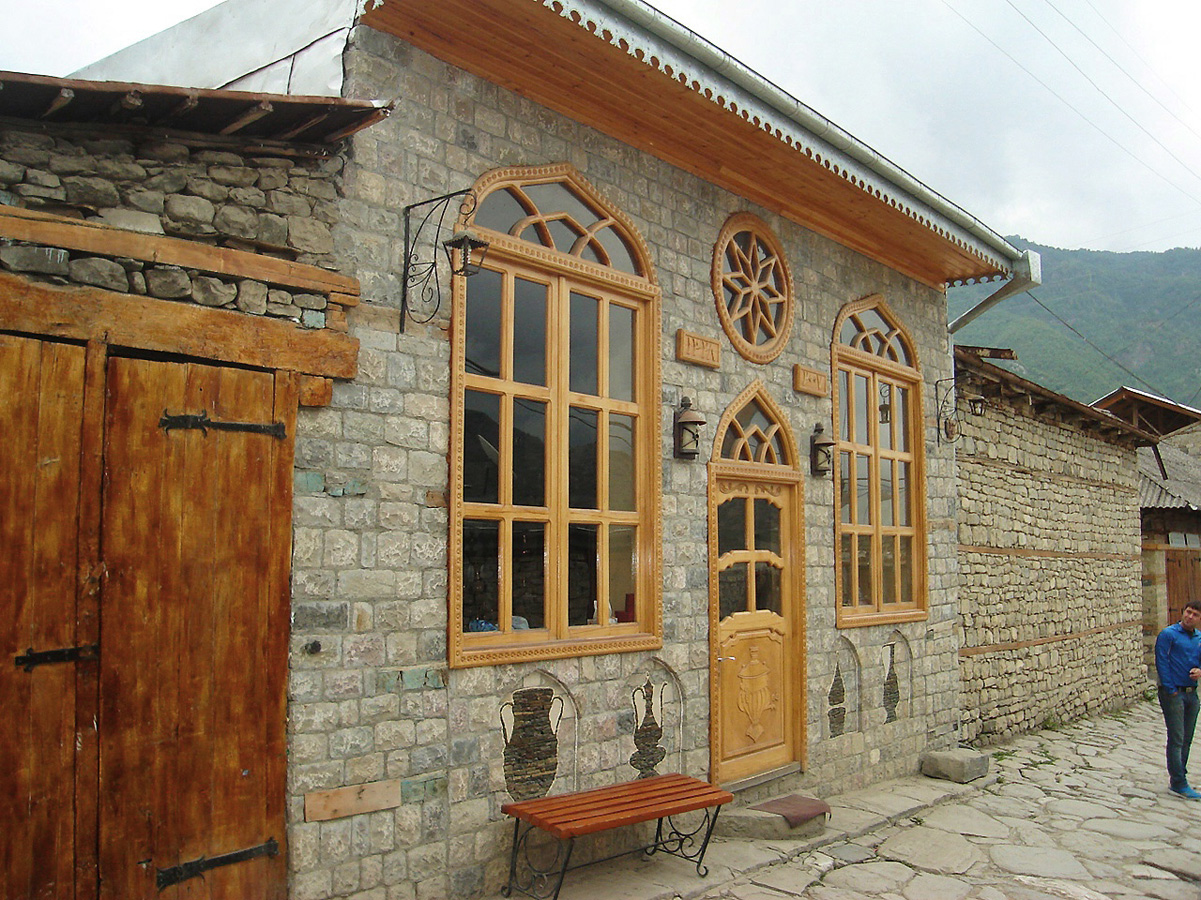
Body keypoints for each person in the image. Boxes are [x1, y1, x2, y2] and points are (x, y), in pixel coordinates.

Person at [1155, 600, 1201, 799]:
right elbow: (1161, 661)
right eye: (1188, 612)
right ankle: (1178, 782)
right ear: (1183, 612)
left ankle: (1180, 775)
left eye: (1195, 614)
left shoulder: (1199, 638)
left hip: (1192, 693)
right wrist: (1170, 689)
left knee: (1187, 739)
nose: (1190, 617)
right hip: (1174, 694)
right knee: (1177, 738)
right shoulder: (1169, 634)